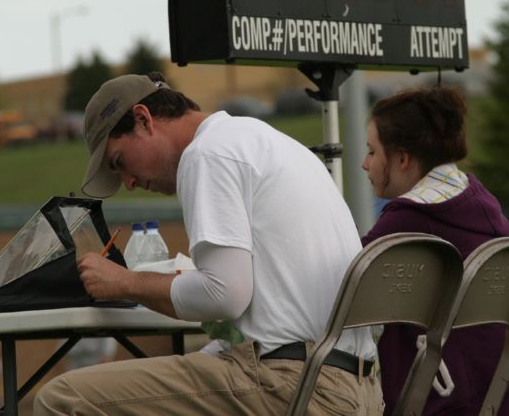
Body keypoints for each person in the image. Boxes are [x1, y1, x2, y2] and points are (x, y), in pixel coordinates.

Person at [34, 73, 382, 415]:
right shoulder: (265, 140)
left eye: (119, 162)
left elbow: (224, 295)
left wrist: (123, 282)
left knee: (62, 399)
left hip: (297, 385)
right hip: (358, 388)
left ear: (143, 120)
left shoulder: (208, 154)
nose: (128, 182)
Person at [360, 86, 509, 415]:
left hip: (459, 401)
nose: (365, 164)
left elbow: (345, 290)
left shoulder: (408, 221)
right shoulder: (478, 205)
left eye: (371, 152)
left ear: (402, 159)